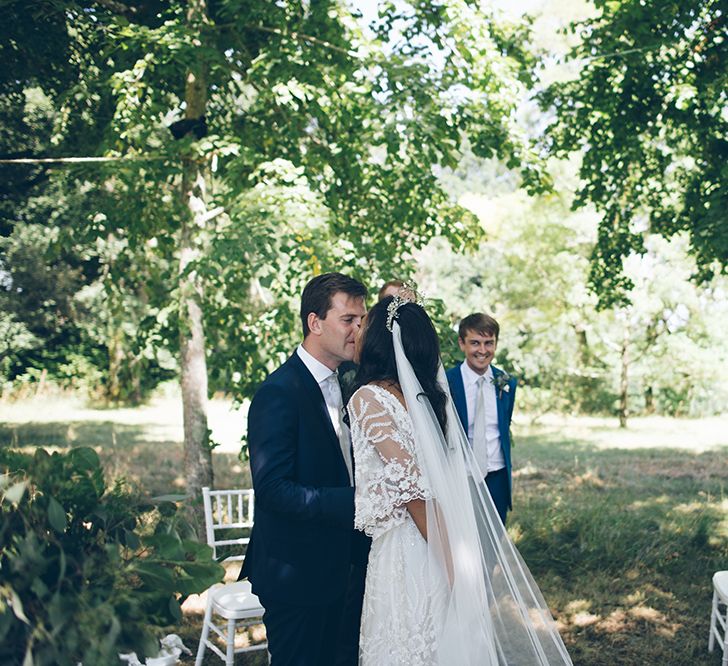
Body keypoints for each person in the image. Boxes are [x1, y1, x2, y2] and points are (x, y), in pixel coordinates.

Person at [347, 289, 571, 665]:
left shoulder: (368, 398)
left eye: (364, 325)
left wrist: (454, 568)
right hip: (441, 535)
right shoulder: (426, 398)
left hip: (409, 552)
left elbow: (410, 487)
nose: (357, 333)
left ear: (381, 341)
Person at [240, 272, 371, 666]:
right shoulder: (278, 392)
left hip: (340, 566)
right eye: (348, 320)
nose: (358, 330)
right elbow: (274, 490)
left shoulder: (346, 383)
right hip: (296, 575)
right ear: (315, 323)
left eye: (361, 321)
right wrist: (359, 501)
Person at [446, 313, 516, 525]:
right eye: (475, 343)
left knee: (493, 546)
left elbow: (505, 425)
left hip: (497, 475)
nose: (482, 351)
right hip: (461, 476)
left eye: (489, 343)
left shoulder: (506, 383)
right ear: (462, 343)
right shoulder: (447, 382)